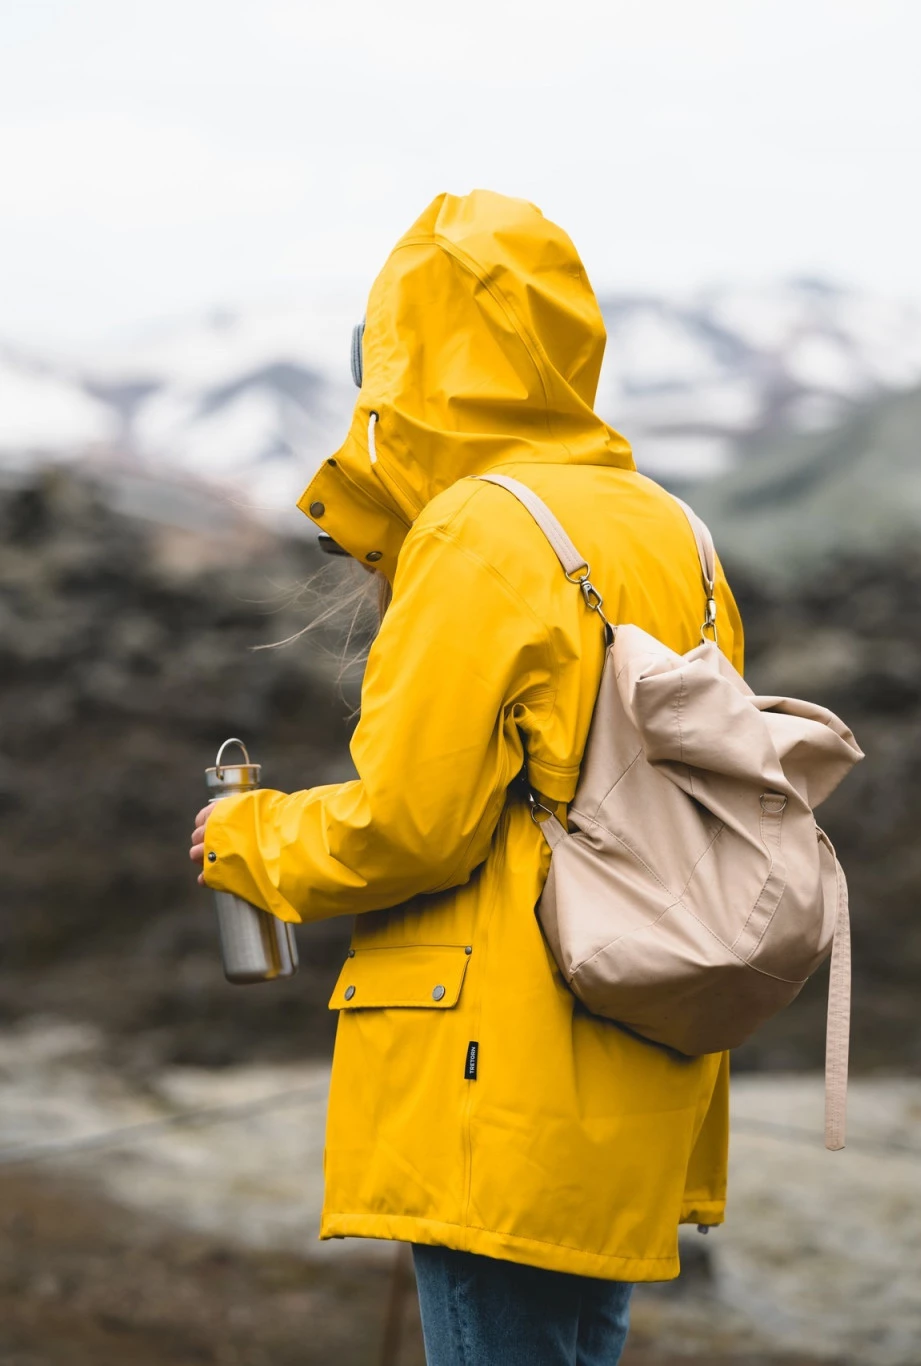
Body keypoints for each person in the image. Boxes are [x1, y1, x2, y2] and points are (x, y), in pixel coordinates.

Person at [189, 189, 745, 1366]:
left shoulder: (478, 532)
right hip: (645, 1036)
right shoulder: (671, 531)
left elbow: (410, 824)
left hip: (501, 1060)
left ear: (411, 355)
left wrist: (251, 838)